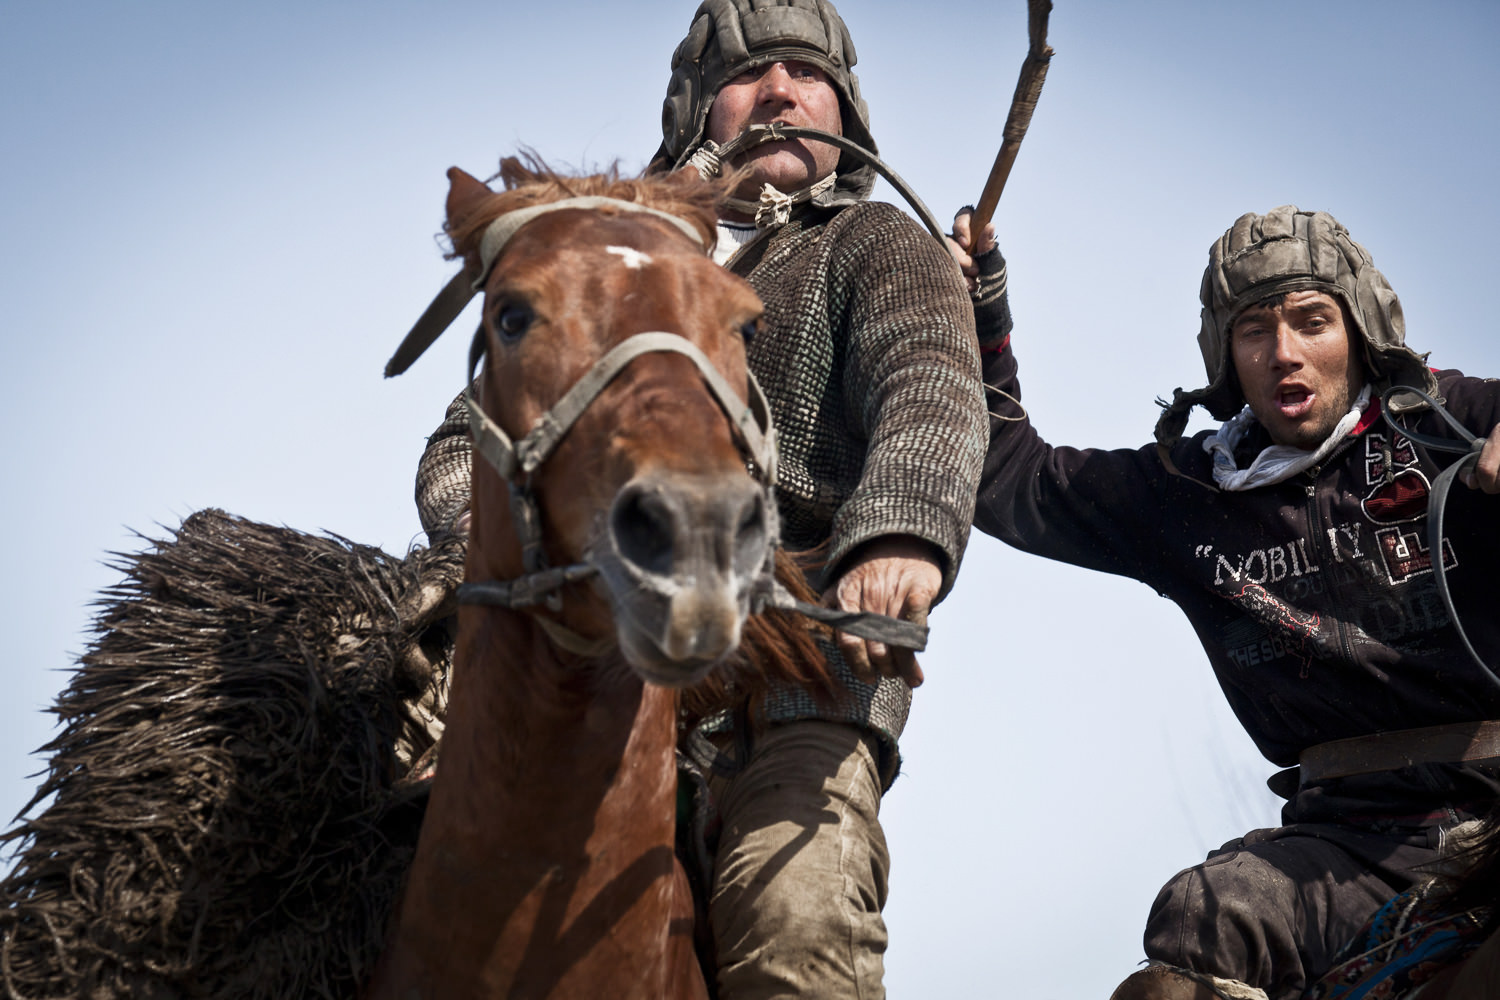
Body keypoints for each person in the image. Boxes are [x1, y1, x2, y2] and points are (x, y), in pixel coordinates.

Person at [413, 2, 1002, 995]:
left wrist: (894, 540)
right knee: (383, 851)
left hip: (801, 679)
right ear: (697, 110)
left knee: (795, 929)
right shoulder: (614, 260)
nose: (780, 90)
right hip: (590, 664)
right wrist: (506, 546)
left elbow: (931, 388)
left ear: (844, 114)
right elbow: (460, 447)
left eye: (807, 75)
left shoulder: (875, 246)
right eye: (751, 73)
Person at [973, 204, 1500, 1000]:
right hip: (1342, 847)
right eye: (1254, 330)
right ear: (1225, 355)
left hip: (1496, 810)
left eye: (1311, 321)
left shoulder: (1458, 424)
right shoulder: (1186, 493)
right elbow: (1011, 478)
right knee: (1205, 914)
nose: (1284, 353)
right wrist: (981, 309)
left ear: (1359, 329)